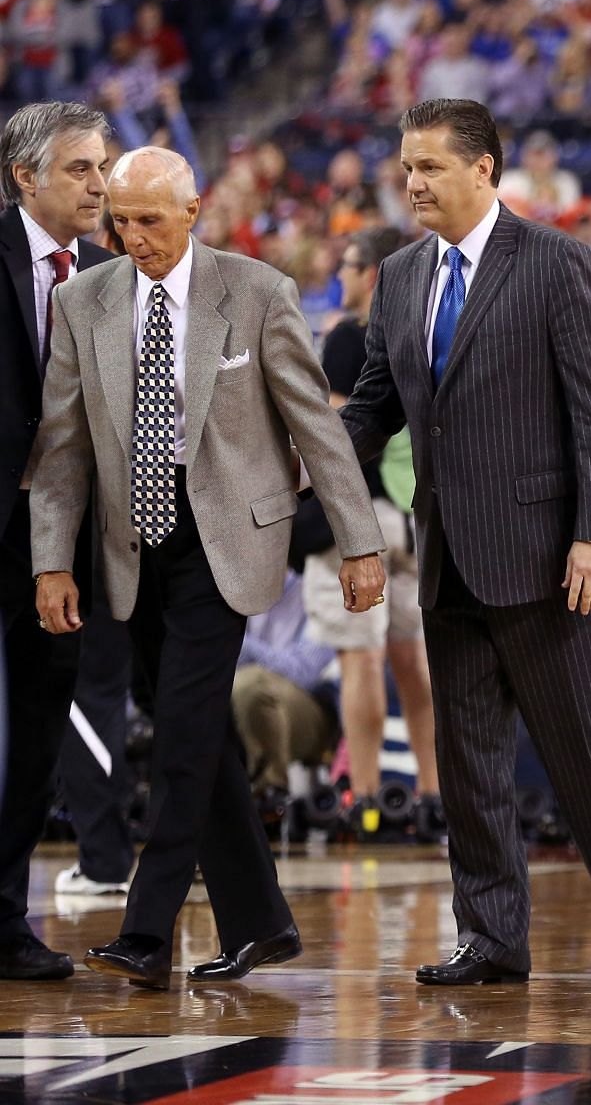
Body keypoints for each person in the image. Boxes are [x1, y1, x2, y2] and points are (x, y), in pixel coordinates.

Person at [337, 98, 591, 987]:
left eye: (430, 167)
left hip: (554, 559)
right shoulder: (403, 275)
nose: (412, 182)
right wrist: (313, 461)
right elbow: (376, 403)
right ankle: (490, 937)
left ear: (484, 168)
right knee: (470, 762)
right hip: (448, 555)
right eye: (406, 167)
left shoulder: (558, 263)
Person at [33, 146, 386, 990]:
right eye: (121, 221)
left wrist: (360, 540)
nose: (134, 236)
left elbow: (316, 428)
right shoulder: (83, 299)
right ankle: (260, 923)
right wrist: (53, 561)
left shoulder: (258, 291)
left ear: (194, 211)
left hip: (225, 543)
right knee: (203, 740)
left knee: (185, 738)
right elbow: (61, 448)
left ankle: (147, 931)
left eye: (151, 219)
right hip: (126, 550)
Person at [0, 102, 123, 974]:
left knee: (43, 728)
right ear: (24, 177)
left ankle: (4, 918)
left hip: (65, 544)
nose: (100, 183)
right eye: (81, 167)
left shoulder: (115, 276)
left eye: (102, 166)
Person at [307, 224, 441, 841]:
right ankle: (435, 799)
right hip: (417, 516)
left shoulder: (348, 338)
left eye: (352, 263)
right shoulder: (428, 328)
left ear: (375, 274)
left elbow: (338, 443)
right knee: (415, 665)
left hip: (358, 519)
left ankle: (363, 799)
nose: (343, 275)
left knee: (360, 661)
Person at [232, 571, 341, 797]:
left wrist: (236, 643)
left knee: (251, 686)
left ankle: (270, 799)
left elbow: (304, 672)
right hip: (235, 695)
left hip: (314, 710)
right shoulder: (234, 577)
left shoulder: (324, 581)